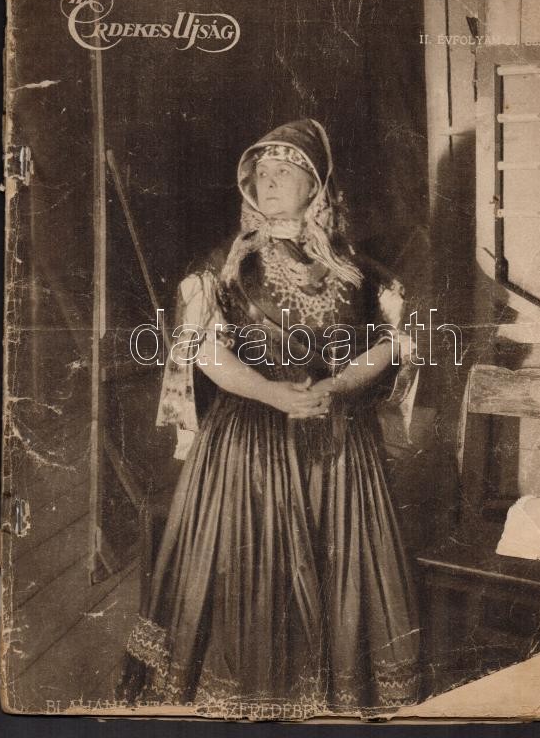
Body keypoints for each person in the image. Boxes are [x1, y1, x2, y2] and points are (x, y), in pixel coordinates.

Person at [119, 119, 420, 718]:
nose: (271, 181)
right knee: (248, 577)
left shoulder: (358, 270)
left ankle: (335, 701)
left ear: (316, 186)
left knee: (342, 574)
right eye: (262, 172)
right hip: (249, 445)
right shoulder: (225, 267)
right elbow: (204, 351)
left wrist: (338, 384)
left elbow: (389, 344)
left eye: (285, 171)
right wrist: (272, 394)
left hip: (337, 443)